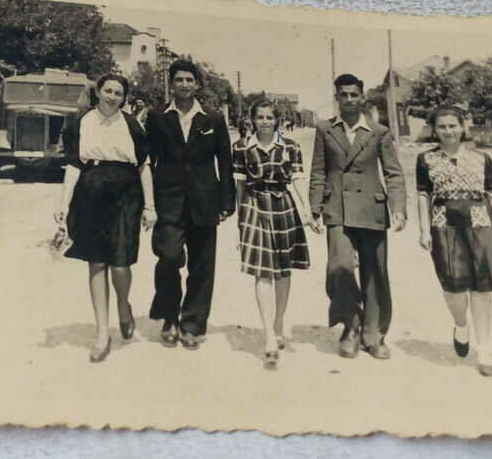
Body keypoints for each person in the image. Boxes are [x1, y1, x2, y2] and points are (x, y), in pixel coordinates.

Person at [55, 74, 157, 363]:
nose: (112, 97)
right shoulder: (81, 124)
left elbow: (144, 167)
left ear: (124, 98)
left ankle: (123, 304)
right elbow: (74, 165)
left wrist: (150, 206)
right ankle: (102, 332)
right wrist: (63, 204)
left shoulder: (132, 125)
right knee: (97, 261)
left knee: (121, 262)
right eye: (108, 91)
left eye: (118, 93)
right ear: (98, 92)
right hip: (91, 192)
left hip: (126, 193)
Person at [309, 73, 407, 360]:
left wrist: (398, 208)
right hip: (337, 208)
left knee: (375, 271)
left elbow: (393, 173)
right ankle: (350, 326)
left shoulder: (379, 132)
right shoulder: (325, 129)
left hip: (372, 209)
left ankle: (374, 334)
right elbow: (318, 171)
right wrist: (315, 207)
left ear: (362, 97)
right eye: (343, 95)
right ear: (336, 98)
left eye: (354, 94)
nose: (349, 100)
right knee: (339, 267)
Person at [416, 106, 492, 377]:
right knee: (454, 286)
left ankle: (484, 347)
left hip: (480, 223)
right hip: (444, 224)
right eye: (442, 127)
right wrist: (424, 230)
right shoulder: (425, 160)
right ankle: (460, 324)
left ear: (462, 127)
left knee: (483, 286)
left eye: (453, 126)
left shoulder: (481, 159)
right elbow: (423, 195)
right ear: (435, 130)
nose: (448, 131)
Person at [145, 60, 236, 350]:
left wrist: (226, 199)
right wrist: (147, 203)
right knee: (169, 258)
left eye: (189, 80)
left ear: (197, 84)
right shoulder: (158, 116)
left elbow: (225, 161)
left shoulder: (212, 118)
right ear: (171, 84)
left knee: (201, 266)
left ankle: (192, 324)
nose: (184, 85)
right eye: (179, 80)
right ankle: (169, 316)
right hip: (168, 201)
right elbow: (148, 160)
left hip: (204, 202)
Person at [233, 100, 321, 369]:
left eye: (270, 117)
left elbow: (297, 179)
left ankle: (279, 321)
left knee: (283, 270)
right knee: (262, 271)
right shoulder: (241, 148)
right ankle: (269, 336)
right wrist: (240, 223)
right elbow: (239, 185)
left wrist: (307, 212)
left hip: (283, 206)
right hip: (254, 205)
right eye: (260, 117)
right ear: (252, 120)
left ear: (277, 120)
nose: (265, 121)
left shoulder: (290, 147)